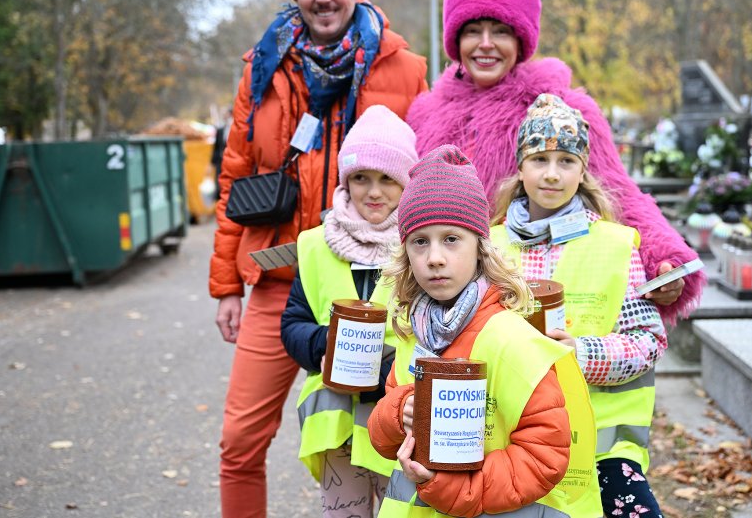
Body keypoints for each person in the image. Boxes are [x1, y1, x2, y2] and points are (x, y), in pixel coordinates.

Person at [208, 0, 427, 517]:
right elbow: (234, 177)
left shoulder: (403, 68)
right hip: (280, 278)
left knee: (389, 445)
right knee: (239, 442)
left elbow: (427, 175)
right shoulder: (264, 67)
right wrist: (227, 284)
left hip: (374, 284)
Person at [405, 0, 704, 324]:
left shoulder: (561, 108)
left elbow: (618, 192)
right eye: (473, 31)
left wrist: (663, 257)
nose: (486, 43)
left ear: (521, 40)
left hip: (530, 297)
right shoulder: (426, 114)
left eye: (500, 31)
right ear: (456, 40)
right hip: (444, 302)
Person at [367, 145, 601, 518]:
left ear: (480, 248)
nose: (435, 258)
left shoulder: (514, 341)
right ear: (406, 254)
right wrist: (398, 412)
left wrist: (451, 487)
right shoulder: (414, 333)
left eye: (452, 239)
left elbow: (545, 455)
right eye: (420, 242)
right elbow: (381, 434)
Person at [491, 93, 668, 518]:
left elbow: (649, 341)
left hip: (601, 448)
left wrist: (580, 354)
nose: (552, 175)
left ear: (583, 168)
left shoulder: (614, 244)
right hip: (512, 440)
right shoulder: (489, 247)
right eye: (540, 160)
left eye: (566, 162)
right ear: (520, 166)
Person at [280, 106, 418, 518]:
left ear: (406, 183)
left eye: (387, 180)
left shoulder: (423, 245)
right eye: (361, 178)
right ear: (346, 181)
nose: (373, 192)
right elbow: (292, 324)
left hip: (400, 424)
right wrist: (324, 343)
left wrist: (389, 367)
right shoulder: (316, 245)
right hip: (337, 428)